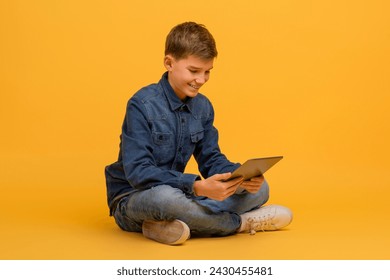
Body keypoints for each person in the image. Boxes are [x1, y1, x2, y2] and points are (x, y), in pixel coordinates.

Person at [105, 22, 292, 245]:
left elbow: (212, 159)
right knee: (165, 199)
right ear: (169, 63)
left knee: (261, 191)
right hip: (134, 197)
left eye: (207, 72)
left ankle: (170, 225)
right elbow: (138, 172)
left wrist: (239, 177)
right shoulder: (141, 104)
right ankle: (241, 224)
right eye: (194, 71)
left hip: (181, 194)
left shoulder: (203, 107)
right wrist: (195, 186)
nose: (201, 80)